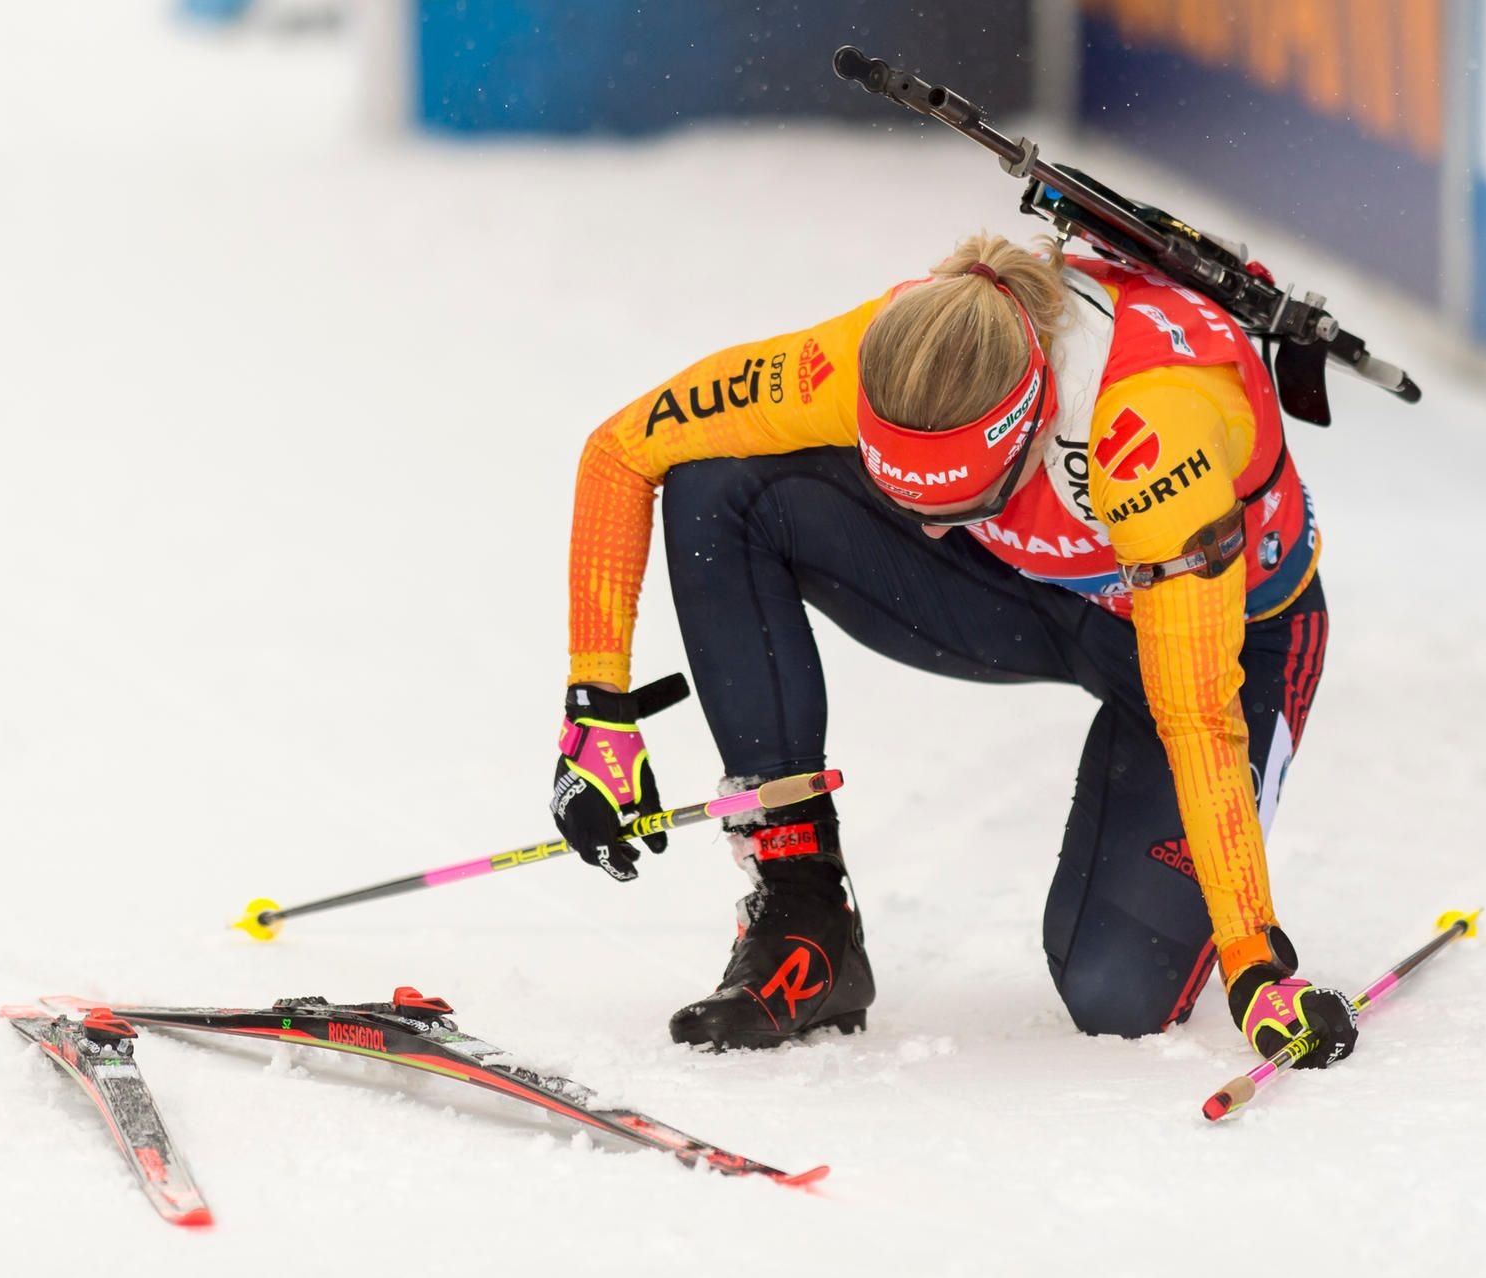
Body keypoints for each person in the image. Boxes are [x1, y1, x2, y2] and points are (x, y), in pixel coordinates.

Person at [548, 232, 1360, 1069]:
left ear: (1036, 423)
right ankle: (805, 914)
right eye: (902, 491)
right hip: (1043, 584)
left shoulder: (1151, 433)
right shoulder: (875, 347)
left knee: (1121, 995)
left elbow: (1196, 716)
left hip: (1223, 637)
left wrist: (1254, 966)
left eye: (960, 499)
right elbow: (623, 449)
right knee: (717, 486)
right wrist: (596, 709)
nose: (929, 528)